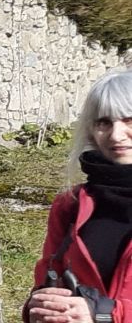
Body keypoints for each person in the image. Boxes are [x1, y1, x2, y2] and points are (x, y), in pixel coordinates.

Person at [25, 70, 132, 323]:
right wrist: (41, 307)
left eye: (129, 120)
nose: (116, 135)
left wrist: (107, 314)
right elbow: (48, 281)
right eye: (104, 122)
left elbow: (101, 312)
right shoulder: (70, 205)